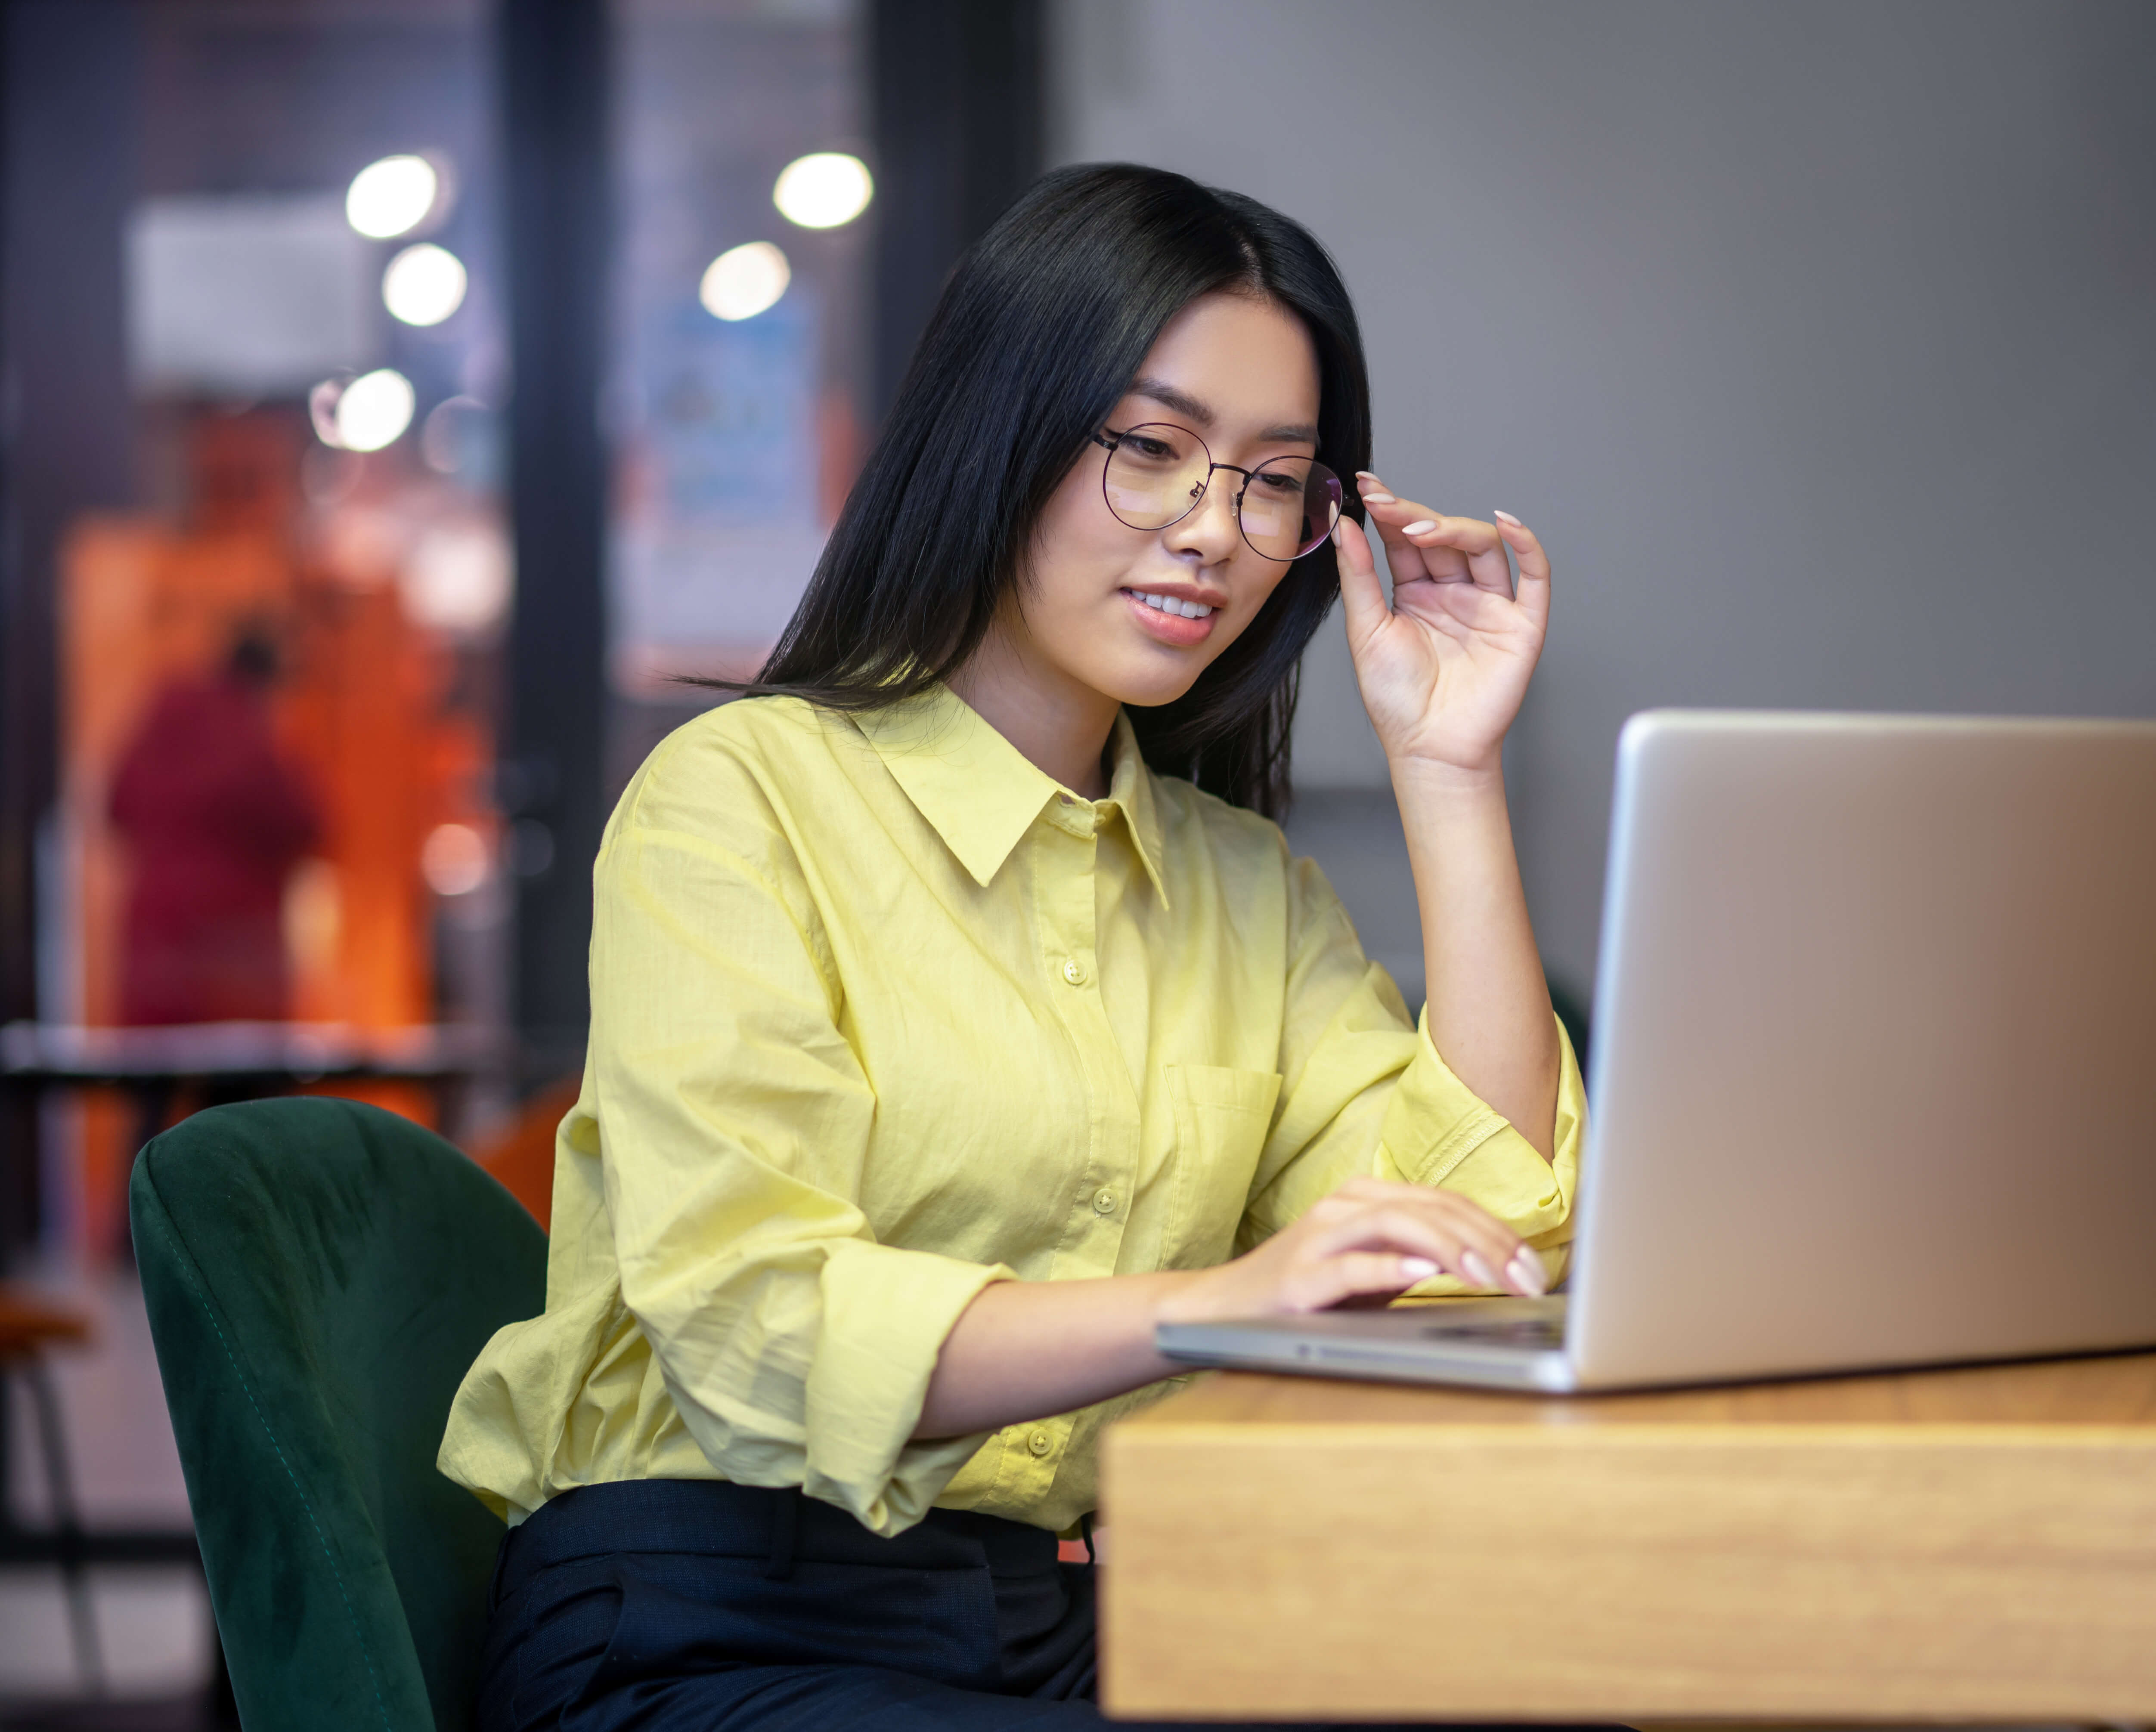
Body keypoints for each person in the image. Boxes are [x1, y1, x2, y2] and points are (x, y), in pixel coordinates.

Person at [442, 164, 1586, 1731]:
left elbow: (1477, 1247)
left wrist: (1447, 769)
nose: (1214, 532)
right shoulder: (741, 797)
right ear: (1003, 430)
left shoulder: (1242, 892)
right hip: (706, 1618)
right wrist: (1219, 1297)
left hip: (1065, 1612)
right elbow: (754, 1318)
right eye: (1149, 450)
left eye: (1272, 481)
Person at [109, 628, 320, 1027]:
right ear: (267, 679)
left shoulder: (163, 715)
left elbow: (116, 805)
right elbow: (304, 823)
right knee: (242, 1081)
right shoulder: (250, 735)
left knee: (151, 1076)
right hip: (232, 951)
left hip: (156, 943)